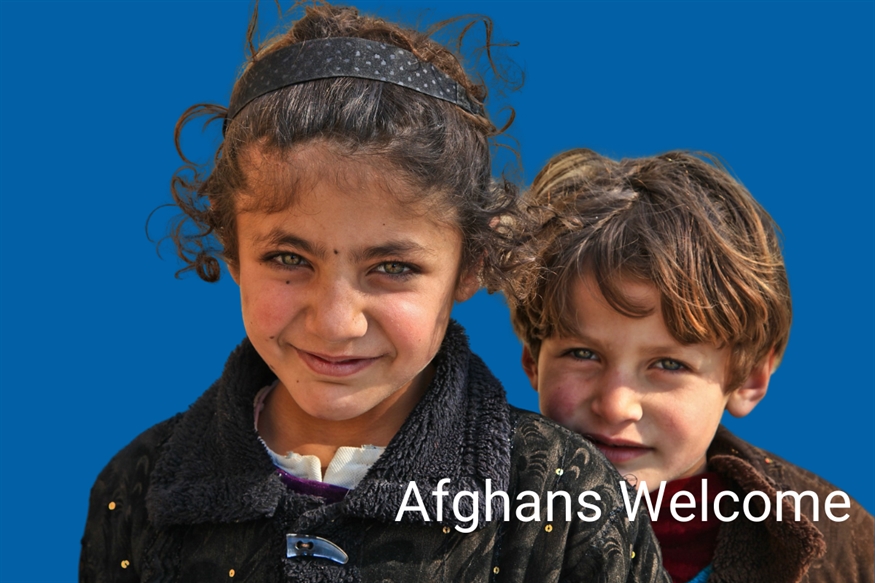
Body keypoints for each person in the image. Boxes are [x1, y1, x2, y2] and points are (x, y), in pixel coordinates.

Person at [79, 5, 668, 582]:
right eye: (289, 259)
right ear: (232, 249)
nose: (336, 322)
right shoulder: (136, 489)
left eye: (392, 267)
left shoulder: (566, 500)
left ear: (471, 264)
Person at [505, 148, 875, 583]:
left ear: (749, 379)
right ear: (534, 358)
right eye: (583, 355)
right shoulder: (466, 518)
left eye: (668, 364)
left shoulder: (838, 543)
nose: (617, 405)